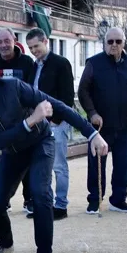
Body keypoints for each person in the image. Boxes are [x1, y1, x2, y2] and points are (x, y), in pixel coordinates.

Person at [0, 58, 109, 253]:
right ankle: (7, 244)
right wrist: (31, 120)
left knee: (41, 195)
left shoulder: (13, 87)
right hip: (12, 152)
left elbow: (57, 106)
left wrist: (92, 134)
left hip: (40, 143)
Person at [78, 27, 127, 214]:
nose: (114, 45)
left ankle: (118, 199)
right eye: (110, 41)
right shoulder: (94, 63)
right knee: (97, 164)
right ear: (104, 43)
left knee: (123, 163)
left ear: (123, 43)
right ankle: (94, 200)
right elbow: (83, 90)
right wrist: (92, 113)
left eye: (118, 41)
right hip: (101, 126)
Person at [24, 28, 75, 220]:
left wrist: (55, 120)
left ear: (46, 41)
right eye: (30, 48)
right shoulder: (33, 66)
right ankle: (46, 205)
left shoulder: (61, 64)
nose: (34, 50)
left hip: (56, 123)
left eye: (36, 46)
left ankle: (60, 206)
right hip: (37, 124)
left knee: (59, 166)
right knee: (40, 167)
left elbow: (67, 97)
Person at [0, 27, 35, 215]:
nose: (4, 45)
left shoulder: (27, 62)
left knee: (27, 162)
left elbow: (33, 89)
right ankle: (4, 200)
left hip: (24, 120)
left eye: (6, 41)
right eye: (0, 42)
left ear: (14, 40)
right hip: (1, 123)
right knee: (4, 164)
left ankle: (29, 199)